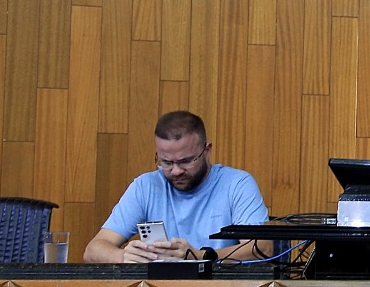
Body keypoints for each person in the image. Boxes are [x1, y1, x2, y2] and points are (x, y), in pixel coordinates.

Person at [84, 111, 269, 263]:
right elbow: (93, 250)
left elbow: (262, 248)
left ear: (207, 151)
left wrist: (200, 256)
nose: (176, 171)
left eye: (185, 161)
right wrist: (123, 256)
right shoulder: (146, 186)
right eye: (166, 162)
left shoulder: (237, 184)